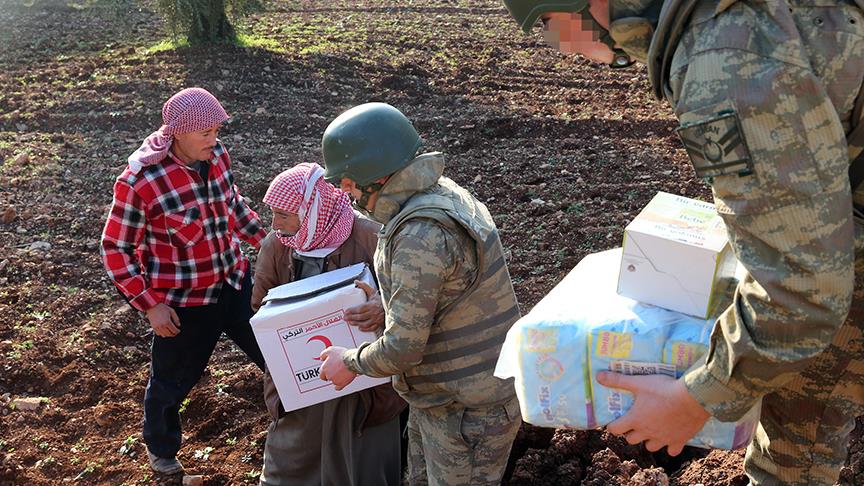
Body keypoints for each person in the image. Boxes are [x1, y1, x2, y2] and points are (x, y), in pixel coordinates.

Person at [501, 1, 864, 484]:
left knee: (790, 453)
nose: (562, 49)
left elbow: (804, 289)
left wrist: (696, 398)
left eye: (549, 27)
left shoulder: (724, 57)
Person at [317, 102, 523, 486]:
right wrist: (388, 303)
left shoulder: (419, 233)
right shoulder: (441, 192)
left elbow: (402, 349)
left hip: (468, 411)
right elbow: (452, 288)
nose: (347, 193)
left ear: (377, 171)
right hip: (446, 401)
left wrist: (350, 361)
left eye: (348, 181)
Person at [100, 87, 268, 475]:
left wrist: (272, 245)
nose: (215, 139)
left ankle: (304, 424)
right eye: (205, 132)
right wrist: (150, 304)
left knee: (277, 356)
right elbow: (115, 248)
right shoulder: (141, 182)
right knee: (170, 385)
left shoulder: (217, 156)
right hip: (184, 303)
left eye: (217, 130)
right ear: (177, 133)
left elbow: (232, 205)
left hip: (234, 280)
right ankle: (161, 454)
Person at [251, 162, 405, 486]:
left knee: (362, 467)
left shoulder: (370, 236)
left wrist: (381, 305)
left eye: (284, 215)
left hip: (363, 386)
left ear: (312, 209)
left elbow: (410, 299)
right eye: (274, 214)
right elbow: (260, 307)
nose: (275, 224)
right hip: (302, 383)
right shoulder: (277, 246)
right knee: (290, 465)